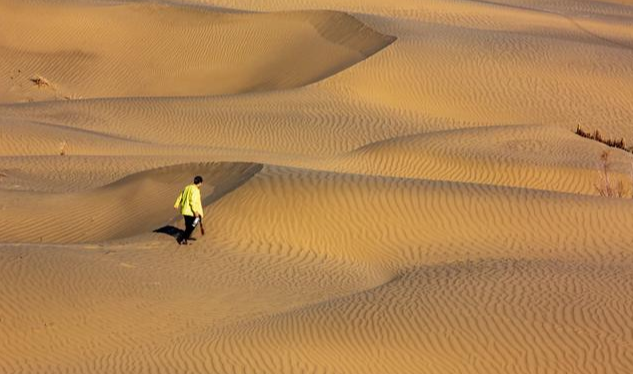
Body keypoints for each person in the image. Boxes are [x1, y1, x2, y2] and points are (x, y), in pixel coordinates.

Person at [174, 175, 204, 245]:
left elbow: (181, 195)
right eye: (201, 183)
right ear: (200, 183)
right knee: (193, 224)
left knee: (188, 226)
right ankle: (183, 238)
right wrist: (195, 212)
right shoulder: (195, 190)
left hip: (185, 211)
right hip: (191, 212)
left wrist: (176, 204)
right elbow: (192, 201)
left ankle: (186, 236)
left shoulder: (187, 187)